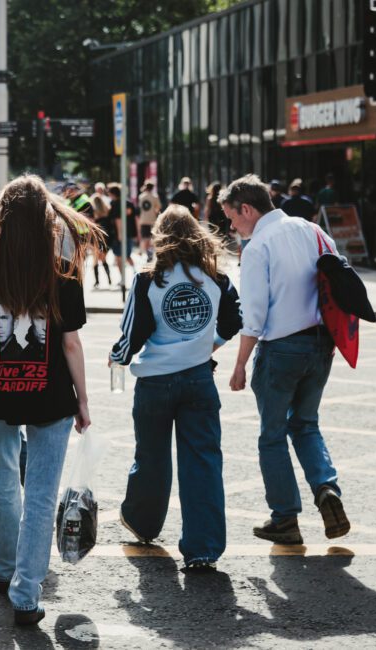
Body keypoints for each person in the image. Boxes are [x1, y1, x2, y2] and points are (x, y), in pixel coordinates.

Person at [0, 175, 99, 626]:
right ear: (46, 219)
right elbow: (71, 345)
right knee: (41, 493)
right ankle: (26, 591)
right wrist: (83, 399)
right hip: (52, 395)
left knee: (2, 476)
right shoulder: (63, 271)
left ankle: (2, 569)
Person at [109, 205, 242, 572]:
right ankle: (203, 547)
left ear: (160, 238)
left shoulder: (149, 279)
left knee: (151, 457)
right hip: (199, 379)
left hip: (155, 382)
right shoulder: (216, 278)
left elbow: (132, 333)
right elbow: (237, 318)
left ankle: (143, 523)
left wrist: (117, 356)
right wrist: (207, 344)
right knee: (203, 461)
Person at [220, 174, 350, 545]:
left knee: (272, 435)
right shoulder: (311, 230)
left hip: (281, 350)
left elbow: (254, 316)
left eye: (232, 217)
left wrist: (240, 364)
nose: (231, 226)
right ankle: (327, 489)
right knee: (306, 424)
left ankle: (285, 519)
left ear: (247, 209)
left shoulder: (258, 245)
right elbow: (337, 282)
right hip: (321, 344)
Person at [108, 183, 138, 279]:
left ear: (113, 193)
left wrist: (120, 235)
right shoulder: (127, 203)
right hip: (128, 233)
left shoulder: (116, 204)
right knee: (126, 255)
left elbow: (118, 220)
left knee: (120, 257)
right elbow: (135, 218)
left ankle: (124, 278)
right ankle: (134, 274)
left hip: (119, 235)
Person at [137, 180, 161, 262]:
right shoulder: (155, 197)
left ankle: (148, 254)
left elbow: (140, 208)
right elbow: (158, 208)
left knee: (145, 238)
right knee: (153, 238)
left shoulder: (141, 196)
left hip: (143, 220)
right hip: (152, 220)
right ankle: (150, 254)